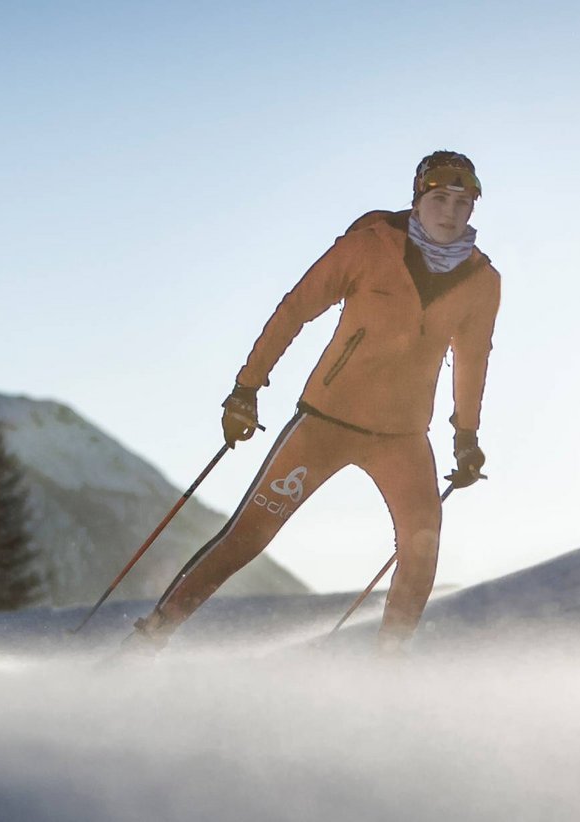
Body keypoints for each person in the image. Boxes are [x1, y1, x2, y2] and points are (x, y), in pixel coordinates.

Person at [122, 150, 500, 655]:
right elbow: (294, 310)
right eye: (439, 199)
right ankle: (152, 636)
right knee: (248, 536)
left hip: (403, 436)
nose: (450, 212)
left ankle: (388, 668)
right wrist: (246, 389)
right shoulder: (368, 247)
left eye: (462, 201)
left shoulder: (481, 281)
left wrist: (466, 437)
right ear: (417, 200)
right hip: (327, 422)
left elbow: (473, 361)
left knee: (422, 548)